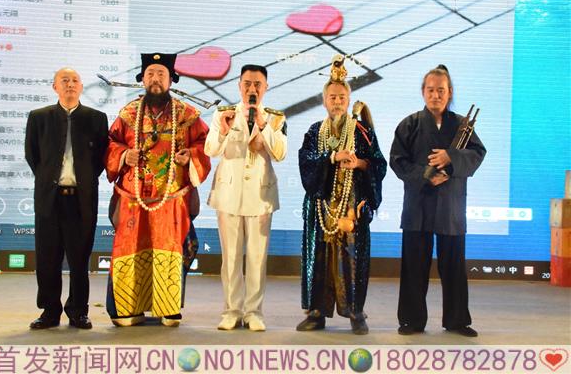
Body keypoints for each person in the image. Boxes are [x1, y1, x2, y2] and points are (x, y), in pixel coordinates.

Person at [105, 53, 211, 327]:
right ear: (142, 79)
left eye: (161, 74)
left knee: (169, 249)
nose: (155, 79)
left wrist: (191, 156)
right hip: (133, 197)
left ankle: (168, 307)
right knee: (130, 249)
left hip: (171, 198)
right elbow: (111, 142)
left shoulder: (187, 115)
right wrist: (124, 154)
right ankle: (127, 308)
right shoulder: (128, 115)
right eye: (150, 74)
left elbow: (205, 143)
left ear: (170, 80)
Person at [390, 64, 486, 337]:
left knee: (453, 266)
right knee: (414, 265)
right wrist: (426, 174)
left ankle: (457, 321)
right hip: (418, 204)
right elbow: (397, 161)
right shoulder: (409, 124)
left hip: (450, 205)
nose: (435, 95)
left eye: (441, 90)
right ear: (423, 92)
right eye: (431, 90)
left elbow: (477, 153)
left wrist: (450, 158)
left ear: (450, 92)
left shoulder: (462, 125)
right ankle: (411, 320)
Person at [296, 55, 386, 335]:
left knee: (351, 260)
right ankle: (317, 312)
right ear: (324, 101)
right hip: (321, 208)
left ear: (348, 100)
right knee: (320, 260)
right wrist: (332, 157)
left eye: (341, 97)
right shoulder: (315, 131)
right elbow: (306, 161)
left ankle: (355, 312)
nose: (337, 102)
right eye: (332, 97)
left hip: (350, 208)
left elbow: (379, 163)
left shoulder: (361, 131)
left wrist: (359, 163)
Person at [25, 67, 109, 330]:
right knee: (47, 259)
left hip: (81, 200)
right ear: (55, 87)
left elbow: (100, 159)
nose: (70, 84)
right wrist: (49, 179)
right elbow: (32, 155)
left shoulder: (96, 118)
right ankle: (49, 312)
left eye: (75, 80)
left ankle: (78, 312)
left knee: (79, 259)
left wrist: (83, 179)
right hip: (49, 199)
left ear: (81, 86)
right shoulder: (39, 117)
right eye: (64, 81)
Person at [205, 64, 287, 331]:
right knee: (230, 257)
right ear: (239, 86)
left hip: (260, 196)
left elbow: (280, 153)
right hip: (229, 193)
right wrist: (224, 130)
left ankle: (254, 312)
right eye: (247, 84)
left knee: (256, 258)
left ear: (266, 87)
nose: (252, 89)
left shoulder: (275, 118)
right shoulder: (223, 113)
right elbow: (210, 149)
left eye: (257, 85)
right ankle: (231, 311)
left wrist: (263, 126)